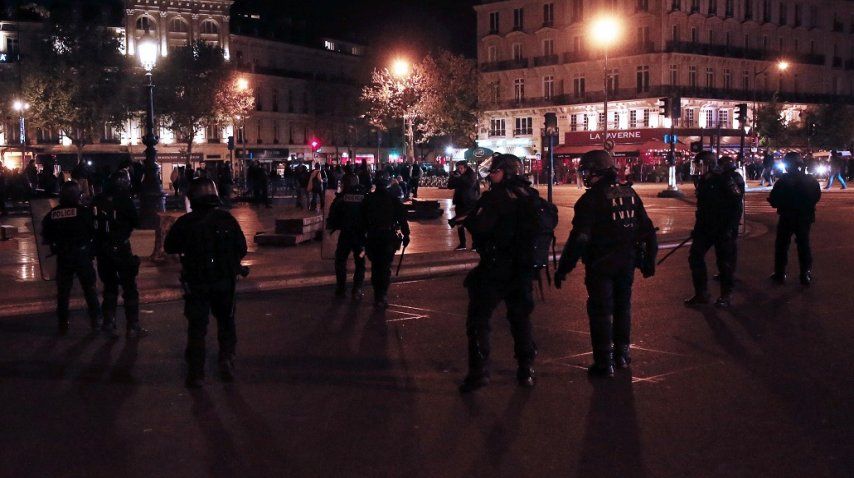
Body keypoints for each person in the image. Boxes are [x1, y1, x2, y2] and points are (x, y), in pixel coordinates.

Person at [555, 150, 657, 377]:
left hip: (600, 264)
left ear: (595, 171)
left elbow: (579, 238)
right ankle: (622, 354)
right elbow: (648, 231)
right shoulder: (630, 194)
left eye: (587, 171)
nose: (585, 176)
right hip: (627, 261)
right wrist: (650, 260)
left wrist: (564, 267)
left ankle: (604, 362)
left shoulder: (590, 200)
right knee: (623, 307)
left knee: (601, 310)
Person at [458, 154, 540, 392]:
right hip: (523, 268)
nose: (492, 176)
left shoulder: (494, 197)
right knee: (520, 319)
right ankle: (526, 369)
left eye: (495, 172)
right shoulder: (530, 195)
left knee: (478, 318)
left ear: (507, 172)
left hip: (497, 266)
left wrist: (472, 220)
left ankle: (478, 372)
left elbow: (480, 227)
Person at [165, 177, 248, 388]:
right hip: (224, 280)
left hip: (197, 282)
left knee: (197, 327)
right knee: (226, 322)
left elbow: (170, 247)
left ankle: (196, 372)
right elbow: (242, 248)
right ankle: (226, 358)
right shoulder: (227, 219)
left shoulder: (185, 222)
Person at [684, 152, 745, 308]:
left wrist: (730, 227)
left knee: (724, 262)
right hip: (705, 227)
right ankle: (701, 293)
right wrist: (697, 228)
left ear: (708, 164)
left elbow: (737, 205)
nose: (697, 170)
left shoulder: (724, 179)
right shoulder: (704, 180)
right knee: (695, 257)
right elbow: (702, 208)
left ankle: (726, 294)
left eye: (699, 166)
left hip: (723, 227)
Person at [41, 180, 102, 335]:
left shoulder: (53, 214)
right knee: (89, 289)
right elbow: (94, 233)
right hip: (81, 256)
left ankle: (63, 323)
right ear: (77, 195)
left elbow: (45, 236)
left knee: (63, 292)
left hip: (63, 256)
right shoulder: (84, 212)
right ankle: (96, 320)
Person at [93, 170, 148, 338]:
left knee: (109, 287)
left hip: (103, 250)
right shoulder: (125, 200)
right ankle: (133, 325)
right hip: (121, 248)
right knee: (129, 288)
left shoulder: (98, 199)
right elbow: (137, 222)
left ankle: (108, 323)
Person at [768, 152, 822, 285]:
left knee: (782, 245)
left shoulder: (783, 180)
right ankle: (805, 273)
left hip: (787, 216)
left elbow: (774, 199)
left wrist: (776, 202)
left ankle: (780, 273)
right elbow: (816, 197)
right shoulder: (810, 180)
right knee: (803, 245)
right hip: (804, 216)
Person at [362, 171, 410, 308]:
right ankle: (381, 295)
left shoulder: (368, 199)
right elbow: (402, 219)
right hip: (387, 237)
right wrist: (406, 235)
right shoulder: (393, 199)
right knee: (384, 267)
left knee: (376, 267)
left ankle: (378, 294)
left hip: (373, 236)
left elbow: (362, 219)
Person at [327, 173, 367, 299]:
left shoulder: (342, 198)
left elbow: (333, 215)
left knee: (340, 260)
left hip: (346, 235)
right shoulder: (364, 197)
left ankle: (341, 289)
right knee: (360, 262)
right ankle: (357, 289)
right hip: (360, 237)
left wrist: (332, 227)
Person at [447, 160, 480, 251]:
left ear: (466, 167)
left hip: (469, 202)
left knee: (469, 223)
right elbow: (450, 186)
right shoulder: (459, 175)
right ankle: (462, 244)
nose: (459, 170)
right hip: (459, 202)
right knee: (459, 224)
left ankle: (476, 244)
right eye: (458, 168)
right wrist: (452, 176)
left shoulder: (472, 175)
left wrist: (459, 177)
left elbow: (468, 184)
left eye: (461, 168)